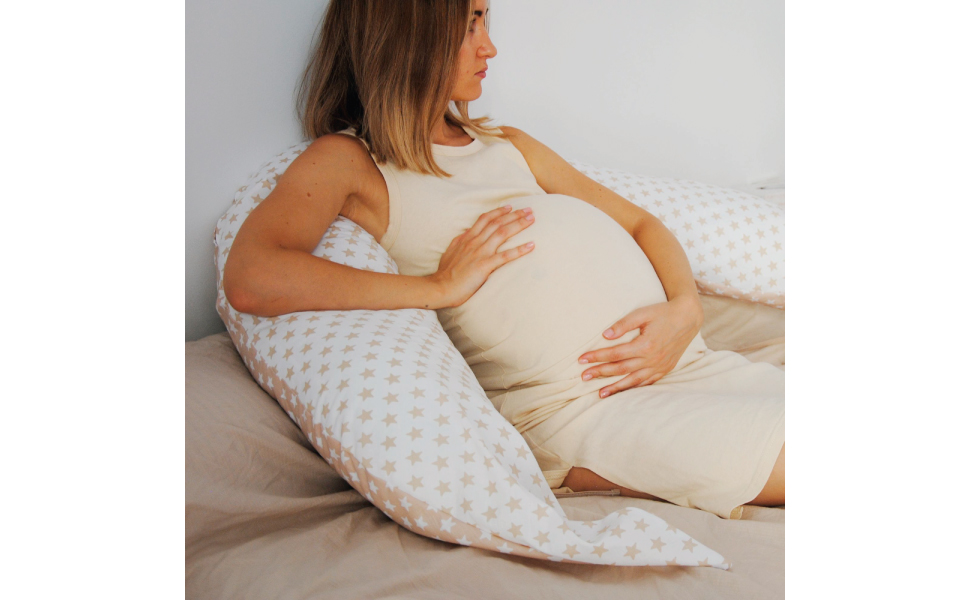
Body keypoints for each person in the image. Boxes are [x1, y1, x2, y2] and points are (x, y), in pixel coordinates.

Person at [223, 0, 784, 519]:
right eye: (470, 23)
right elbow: (254, 275)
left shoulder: (506, 144)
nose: (489, 47)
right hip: (582, 409)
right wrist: (440, 287)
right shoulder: (349, 162)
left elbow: (641, 223)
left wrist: (685, 311)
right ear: (408, 35)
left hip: (684, 363)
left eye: (486, 20)